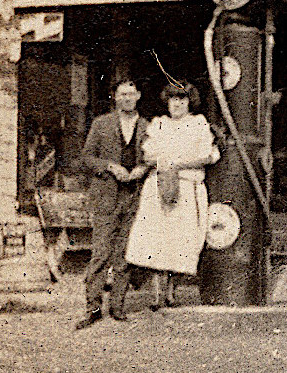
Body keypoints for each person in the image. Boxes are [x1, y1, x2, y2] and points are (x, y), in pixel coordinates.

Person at [124, 80, 220, 307]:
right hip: (158, 187)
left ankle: (171, 292)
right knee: (157, 240)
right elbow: (148, 156)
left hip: (187, 187)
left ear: (189, 102)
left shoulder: (198, 124)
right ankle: (158, 294)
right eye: (173, 99)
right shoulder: (159, 124)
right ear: (166, 102)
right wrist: (167, 162)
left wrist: (175, 162)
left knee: (183, 240)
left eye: (182, 99)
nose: (177, 104)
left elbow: (206, 156)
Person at [77, 79, 149, 329]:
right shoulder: (101, 124)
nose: (127, 98)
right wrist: (109, 167)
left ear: (138, 96)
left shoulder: (147, 127)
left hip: (134, 196)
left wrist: (142, 169)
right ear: (115, 98)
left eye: (131, 93)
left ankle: (117, 306)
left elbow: (155, 158)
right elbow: (86, 158)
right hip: (106, 196)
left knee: (124, 255)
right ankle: (93, 308)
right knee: (101, 254)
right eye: (122, 94)